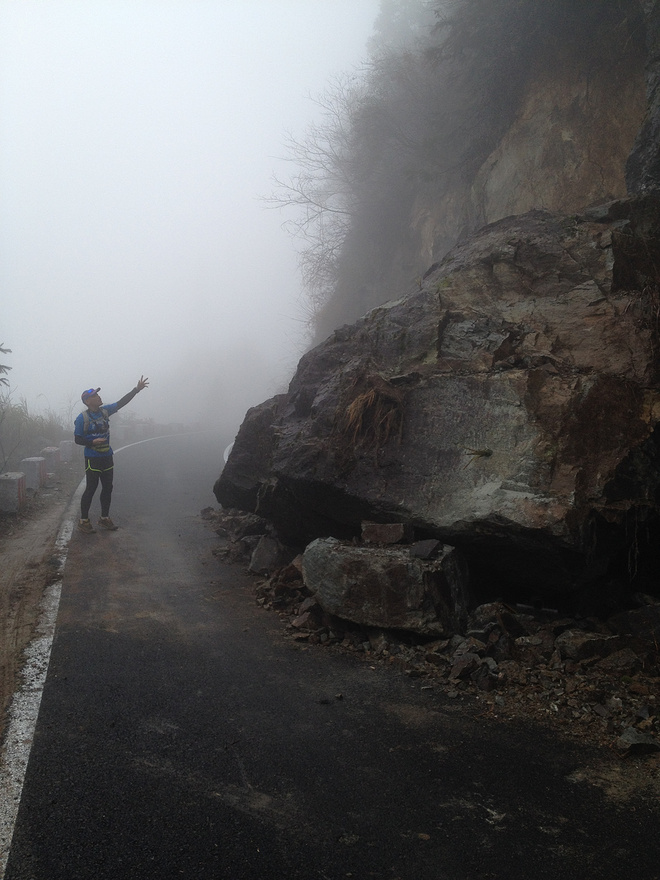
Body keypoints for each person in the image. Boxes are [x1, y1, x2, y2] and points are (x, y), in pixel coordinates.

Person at [74, 376, 149, 533]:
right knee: (91, 488)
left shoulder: (105, 411)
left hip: (107, 456)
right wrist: (91, 443)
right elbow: (77, 439)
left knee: (108, 488)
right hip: (92, 459)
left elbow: (121, 402)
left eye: (97, 394)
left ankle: (104, 518)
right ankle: (84, 521)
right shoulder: (82, 418)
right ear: (88, 401)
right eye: (94, 395)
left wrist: (136, 390)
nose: (98, 396)